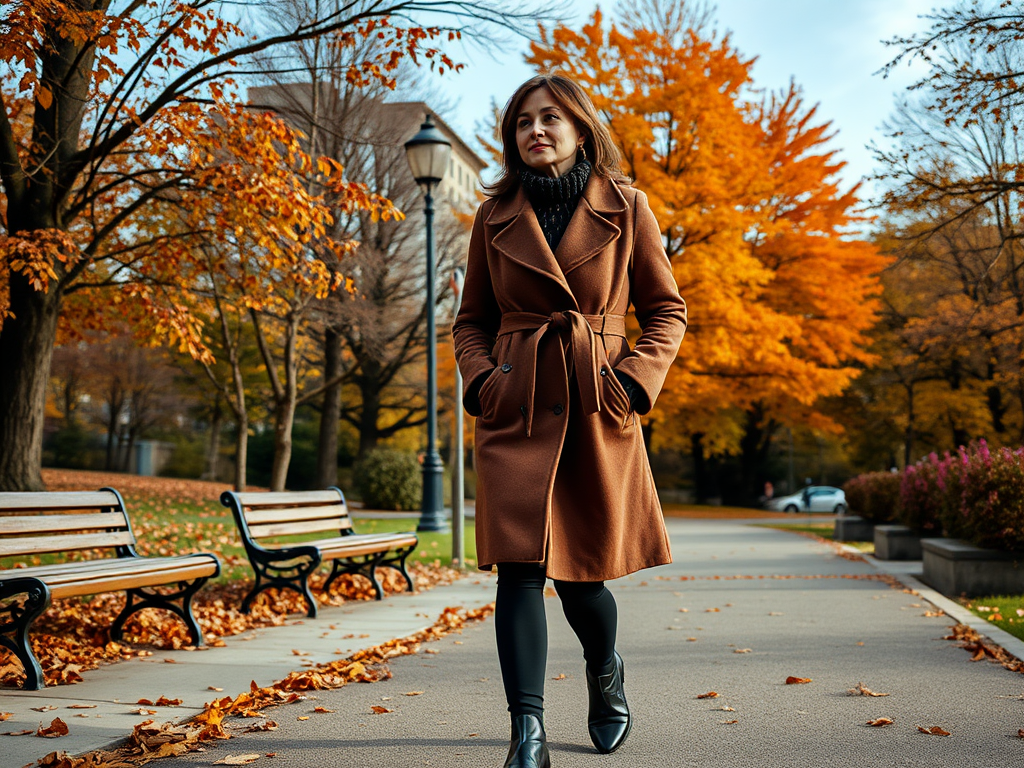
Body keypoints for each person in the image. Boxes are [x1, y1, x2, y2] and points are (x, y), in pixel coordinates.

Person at [452, 74, 687, 768]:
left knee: (582, 579)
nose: (536, 131)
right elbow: (471, 320)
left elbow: (666, 311)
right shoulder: (493, 216)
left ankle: (605, 668)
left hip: (593, 404)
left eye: (550, 118)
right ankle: (527, 732)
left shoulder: (628, 205)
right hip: (515, 409)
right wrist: (484, 383)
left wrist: (631, 382)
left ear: (581, 128)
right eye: (523, 121)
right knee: (518, 572)